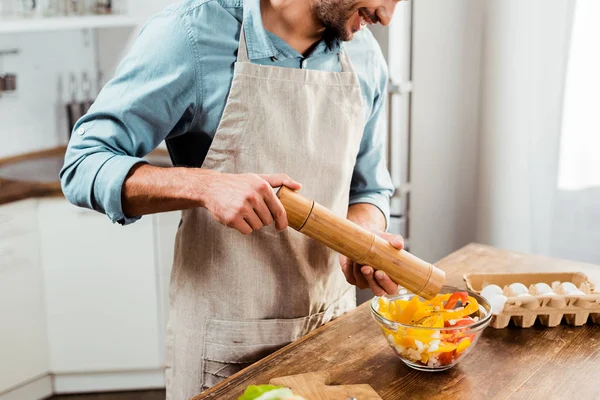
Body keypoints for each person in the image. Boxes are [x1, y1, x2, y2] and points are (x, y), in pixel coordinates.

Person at [60, 0, 404, 397]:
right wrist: (206, 186)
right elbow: (83, 164)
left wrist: (364, 237)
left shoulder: (364, 54)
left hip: (328, 332)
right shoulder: (188, 37)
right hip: (225, 348)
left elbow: (369, 188)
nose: (386, 16)